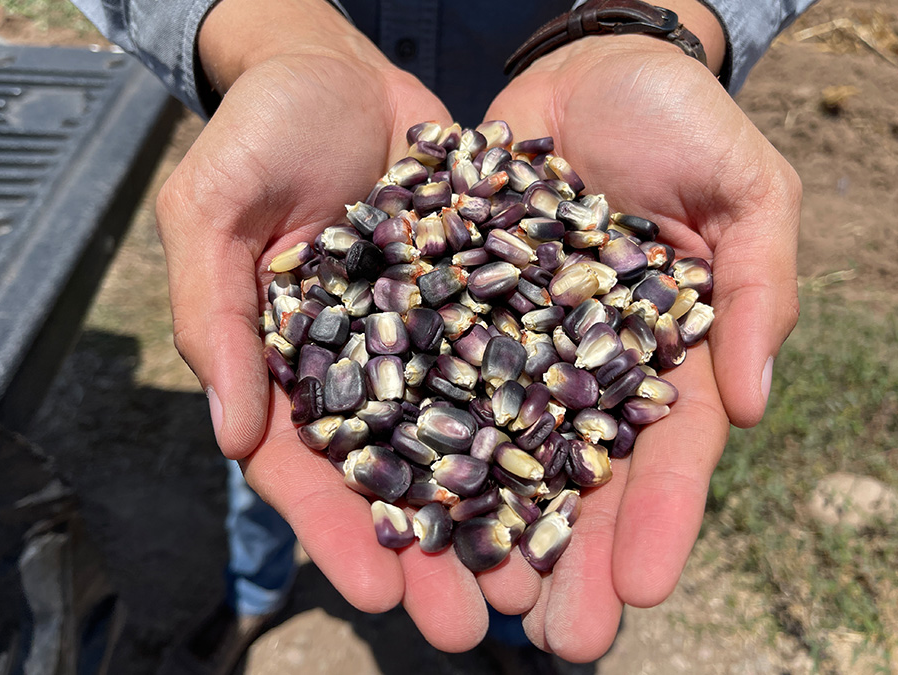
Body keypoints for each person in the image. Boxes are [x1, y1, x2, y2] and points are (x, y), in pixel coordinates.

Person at [69, 0, 813, 671]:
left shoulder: (529, 283)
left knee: (367, 462)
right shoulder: (389, 281)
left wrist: (652, 23)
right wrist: (273, 32)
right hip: (308, 156)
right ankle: (253, 591)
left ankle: (513, 642)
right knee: (264, 436)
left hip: (581, 102)